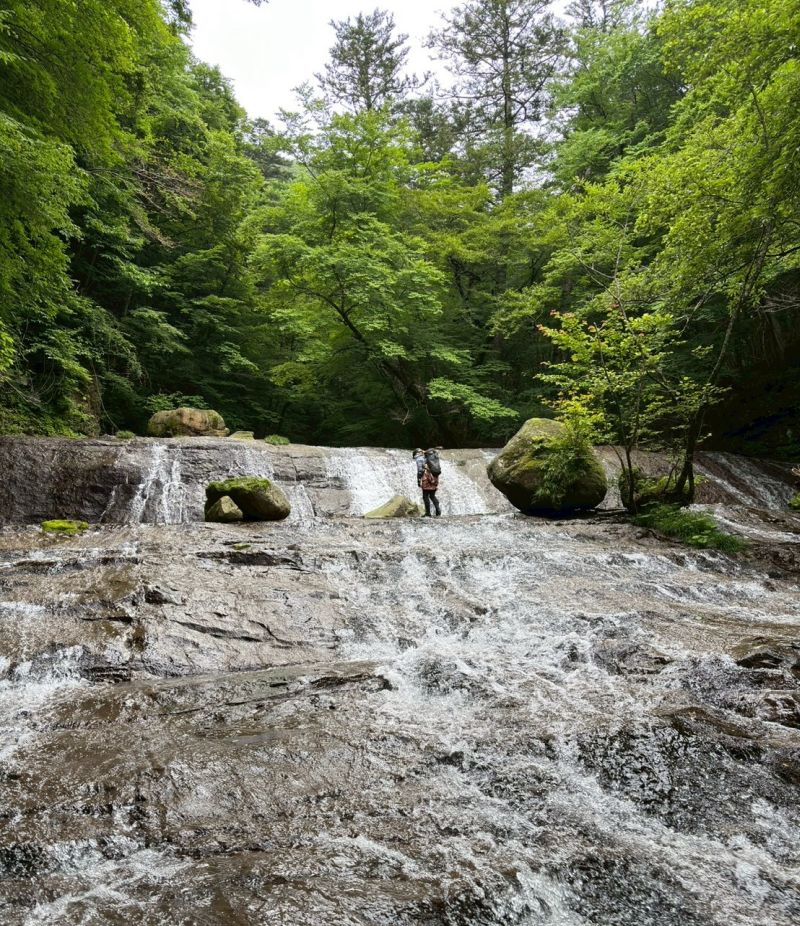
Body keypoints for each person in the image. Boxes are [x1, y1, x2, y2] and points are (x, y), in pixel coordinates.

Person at [417, 448, 442, 517]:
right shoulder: (434, 458)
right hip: (435, 478)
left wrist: (418, 480)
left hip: (427, 479)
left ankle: (428, 513)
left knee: (425, 496)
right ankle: (438, 510)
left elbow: (420, 471)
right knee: (432, 496)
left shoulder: (421, 459)